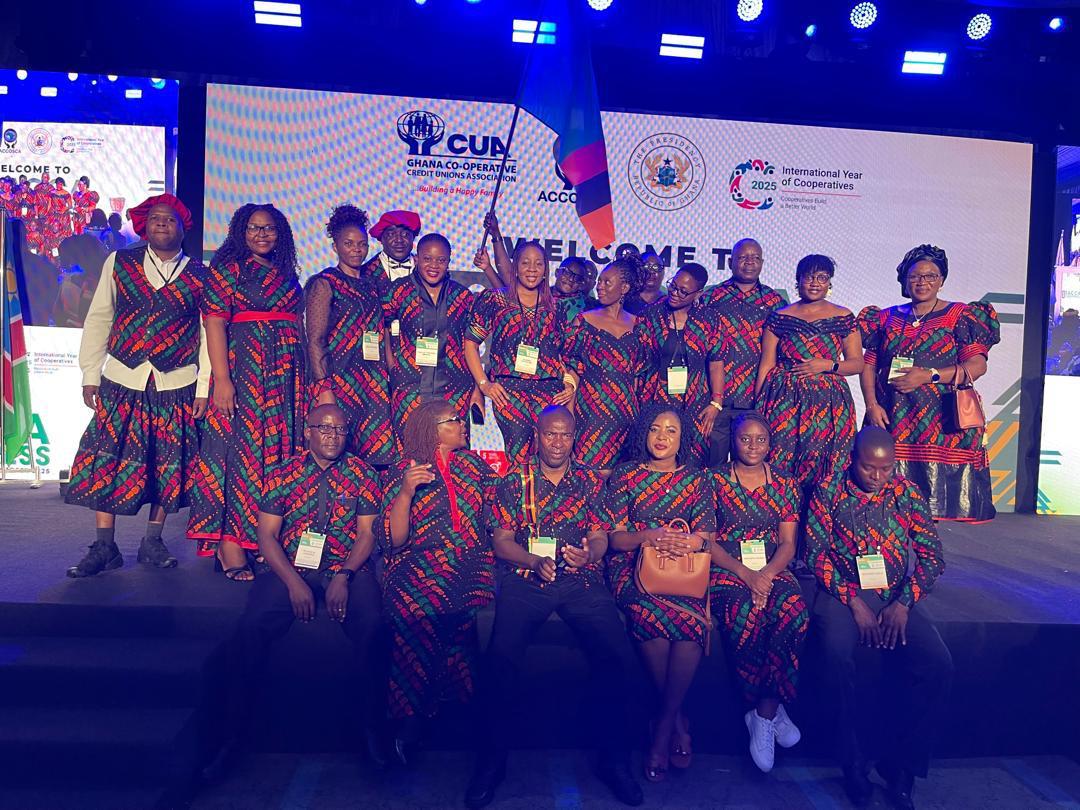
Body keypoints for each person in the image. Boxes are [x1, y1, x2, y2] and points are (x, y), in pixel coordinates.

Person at [465, 406, 643, 808]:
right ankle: (491, 763)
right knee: (500, 658)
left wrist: (590, 554)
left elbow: (601, 535)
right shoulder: (515, 480)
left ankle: (615, 762)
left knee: (618, 657)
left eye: (565, 435)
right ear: (537, 435)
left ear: (574, 437)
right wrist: (533, 561)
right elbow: (501, 542)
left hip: (580, 579)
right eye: (550, 434)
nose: (558, 442)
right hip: (527, 578)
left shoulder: (590, 481)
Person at [225, 404, 386, 767]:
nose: (333, 436)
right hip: (290, 567)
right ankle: (231, 736)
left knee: (374, 627)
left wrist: (345, 575)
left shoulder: (362, 474)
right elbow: (267, 536)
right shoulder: (283, 473)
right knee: (250, 627)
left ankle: (372, 731)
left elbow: (366, 535)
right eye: (324, 428)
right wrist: (294, 583)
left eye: (340, 429)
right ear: (308, 432)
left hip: (346, 566)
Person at [805, 426, 950, 809]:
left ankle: (902, 768)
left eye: (885, 469)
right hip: (841, 592)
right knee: (836, 656)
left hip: (894, 595)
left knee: (938, 663)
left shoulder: (906, 492)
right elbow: (816, 554)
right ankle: (852, 763)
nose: (877, 476)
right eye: (869, 467)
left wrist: (904, 603)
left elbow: (933, 557)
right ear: (853, 459)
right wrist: (854, 603)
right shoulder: (828, 491)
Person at [65, 194, 209, 577]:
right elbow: (100, 318)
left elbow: (207, 335)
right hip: (122, 378)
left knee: (167, 462)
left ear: (183, 228)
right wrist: (90, 373)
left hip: (176, 381)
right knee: (108, 459)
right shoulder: (120, 262)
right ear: (144, 226)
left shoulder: (200, 274)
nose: (162, 223)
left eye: (170, 219)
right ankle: (104, 545)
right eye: (156, 218)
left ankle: (152, 540)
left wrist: (204, 386)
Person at [187, 203, 307, 580]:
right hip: (245, 372)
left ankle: (263, 539)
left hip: (284, 377)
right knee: (240, 454)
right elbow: (214, 324)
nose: (262, 234)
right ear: (241, 232)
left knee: (275, 456)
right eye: (254, 228)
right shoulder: (228, 271)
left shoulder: (286, 273)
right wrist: (222, 380)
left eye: (269, 228)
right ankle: (230, 543)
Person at [603, 406, 717, 782]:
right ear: (644, 433)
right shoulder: (625, 474)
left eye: (671, 430)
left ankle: (663, 729)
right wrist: (648, 537)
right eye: (655, 429)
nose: (662, 437)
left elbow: (706, 537)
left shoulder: (697, 479)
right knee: (647, 616)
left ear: (683, 439)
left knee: (689, 624)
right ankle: (677, 723)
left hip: (683, 569)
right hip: (634, 568)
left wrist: (685, 542)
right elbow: (615, 539)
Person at [380, 400, 496, 763]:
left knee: (454, 602)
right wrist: (405, 493)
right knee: (412, 611)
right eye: (454, 420)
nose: (462, 424)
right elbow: (394, 540)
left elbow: (500, 508)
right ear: (433, 429)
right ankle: (413, 718)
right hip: (417, 560)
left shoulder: (474, 466)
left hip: (470, 560)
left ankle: (438, 717)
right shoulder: (403, 470)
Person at [859, 245, 1000, 522]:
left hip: (941, 422)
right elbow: (868, 365)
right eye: (915, 276)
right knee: (888, 508)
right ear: (904, 280)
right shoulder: (885, 318)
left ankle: (927, 547)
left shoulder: (960, 315)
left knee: (930, 511)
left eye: (931, 276)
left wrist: (929, 375)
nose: (922, 282)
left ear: (941, 280)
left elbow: (977, 366)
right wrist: (872, 404)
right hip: (893, 417)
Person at [708, 413, 809, 773]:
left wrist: (765, 575)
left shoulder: (784, 483)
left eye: (760, 439)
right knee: (744, 612)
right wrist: (747, 575)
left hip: (772, 567)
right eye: (745, 439)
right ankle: (770, 709)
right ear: (733, 441)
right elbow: (708, 542)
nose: (753, 446)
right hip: (727, 568)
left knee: (793, 610)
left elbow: (787, 544)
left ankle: (763, 713)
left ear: (770, 443)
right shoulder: (713, 480)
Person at [755, 255, 863, 489]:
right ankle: (783, 509)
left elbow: (857, 364)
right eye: (809, 277)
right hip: (785, 398)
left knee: (827, 460)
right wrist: (758, 408)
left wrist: (828, 365)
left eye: (822, 277)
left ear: (829, 282)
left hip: (828, 401)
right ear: (798, 280)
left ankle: (821, 509)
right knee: (781, 456)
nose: (815, 283)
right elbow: (766, 364)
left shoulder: (843, 317)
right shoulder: (780, 317)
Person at [464, 241, 575, 465]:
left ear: (546, 270)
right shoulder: (496, 300)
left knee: (549, 459)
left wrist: (569, 384)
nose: (532, 269)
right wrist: (484, 385)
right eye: (525, 263)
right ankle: (520, 489)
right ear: (515, 267)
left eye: (538, 264)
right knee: (519, 457)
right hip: (509, 392)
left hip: (549, 392)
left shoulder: (557, 307)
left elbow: (566, 355)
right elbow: (470, 343)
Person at [304, 204, 394, 466]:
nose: (357, 250)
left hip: (373, 381)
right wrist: (324, 389)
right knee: (340, 452)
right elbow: (316, 340)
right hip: (339, 380)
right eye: (349, 244)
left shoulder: (372, 284)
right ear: (335, 247)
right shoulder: (325, 283)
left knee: (375, 455)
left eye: (362, 244)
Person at [384, 232, 479, 452]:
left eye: (441, 260)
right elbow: (382, 328)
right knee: (411, 452)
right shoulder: (399, 290)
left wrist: (477, 388)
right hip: (411, 388)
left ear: (449, 261)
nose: (434, 266)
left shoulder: (462, 296)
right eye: (427, 259)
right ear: (416, 259)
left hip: (455, 389)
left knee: (453, 455)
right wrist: (392, 366)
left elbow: (471, 344)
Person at [700, 239, 787, 465]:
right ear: (730, 262)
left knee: (750, 467)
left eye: (755, 258)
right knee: (713, 465)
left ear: (762, 263)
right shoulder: (711, 298)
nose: (750, 262)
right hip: (715, 398)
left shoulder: (775, 303)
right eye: (743, 257)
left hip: (756, 399)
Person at [635, 262, 727, 468]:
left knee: (692, 457)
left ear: (698, 293)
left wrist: (716, 403)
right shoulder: (651, 315)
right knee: (652, 455)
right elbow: (639, 363)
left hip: (695, 401)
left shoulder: (709, 320)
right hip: (655, 397)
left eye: (683, 291)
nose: (675, 293)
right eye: (673, 286)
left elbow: (716, 362)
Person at [564, 254, 645, 475]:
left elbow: (638, 379)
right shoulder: (583, 322)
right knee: (588, 477)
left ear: (624, 288)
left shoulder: (639, 326)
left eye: (607, 282)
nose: (599, 286)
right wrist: (570, 421)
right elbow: (572, 374)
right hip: (590, 416)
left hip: (626, 419)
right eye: (599, 281)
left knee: (621, 479)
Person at [362, 210, 420, 282]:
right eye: (391, 234)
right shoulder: (364, 273)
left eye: (405, 234)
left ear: (413, 237)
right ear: (381, 239)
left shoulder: (424, 266)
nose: (399, 240)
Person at [552, 256, 599, 325]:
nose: (571, 279)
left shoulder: (587, 307)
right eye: (567, 273)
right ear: (557, 272)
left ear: (580, 284)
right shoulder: (540, 295)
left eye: (577, 278)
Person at [622, 251, 665, 315]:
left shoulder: (668, 302)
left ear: (663, 272)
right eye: (646, 266)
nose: (651, 271)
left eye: (656, 267)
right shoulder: (624, 298)